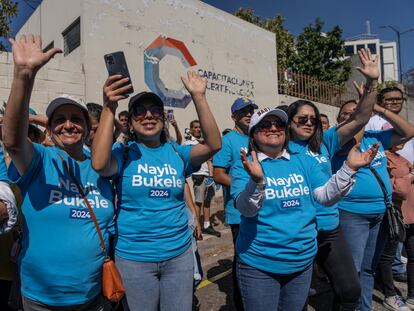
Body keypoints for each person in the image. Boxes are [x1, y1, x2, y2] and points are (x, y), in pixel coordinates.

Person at [92, 71, 221, 311]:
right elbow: (99, 164)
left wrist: (199, 97)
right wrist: (109, 105)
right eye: (140, 111)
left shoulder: (177, 153)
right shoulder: (124, 153)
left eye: (154, 110)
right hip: (133, 258)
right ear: (130, 122)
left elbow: (213, 144)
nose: (148, 115)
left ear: (162, 118)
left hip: (178, 255)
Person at [2, 34, 114, 310]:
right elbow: (14, 141)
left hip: (93, 296)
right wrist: (24, 75)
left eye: (76, 119)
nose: (69, 125)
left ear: (88, 131)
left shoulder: (100, 166)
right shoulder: (40, 158)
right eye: (59, 120)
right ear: (49, 130)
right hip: (42, 299)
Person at [235, 107, 379, 311]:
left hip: (301, 261)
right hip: (261, 264)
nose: (273, 128)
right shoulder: (245, 164)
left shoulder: (302, 159)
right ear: (253, 133)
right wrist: (257, 181)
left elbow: (324, 196)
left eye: (279, 124)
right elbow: (246, 209)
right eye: (265, 124)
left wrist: (349, 168)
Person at [286, 48, 380, 311]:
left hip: (329, 228)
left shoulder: (325, 142)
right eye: (301, 119)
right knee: (296, 298)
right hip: (297, 230)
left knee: (350, 290)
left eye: (313, 119)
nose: (308, 123)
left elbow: (361, 117)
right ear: (289, 122)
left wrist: (373, 82)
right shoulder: (278, 148)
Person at [332, 98, 414, 311]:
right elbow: (354, 126)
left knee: (369, 269)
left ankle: (364, 308)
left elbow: (408, 131)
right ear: (338, 119)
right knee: (353, 271)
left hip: (380, 214)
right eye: (346, 114)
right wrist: (361, 114)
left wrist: (377, 108)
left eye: (357, 112)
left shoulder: (373, 138)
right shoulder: (336, 140)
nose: (352, 116)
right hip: (351, 215)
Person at [213, 97, 258, 310]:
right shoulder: (229, 140)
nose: (249, 114)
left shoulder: (257, 137)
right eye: (243, 112)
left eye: (251, 110)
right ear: (234, 116)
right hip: (238, 212)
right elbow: (218, 175)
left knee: (258, 259)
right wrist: (247, 187)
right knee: (243, 263)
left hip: (260, 208)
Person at [366, 86, 412, 283]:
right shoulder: (374, 122)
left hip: (406, 184)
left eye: (398, 99)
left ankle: (394, 266)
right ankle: (387, 270)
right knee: (390, 235)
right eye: (390, 99)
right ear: (381, 101)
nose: (395, 102)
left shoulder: (403, 123)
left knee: (400, 232)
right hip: (390, 185)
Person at [376, 144, 414, 311]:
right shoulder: (383, 156)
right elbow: (393, 187)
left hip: (411, 213)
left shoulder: (401, 157)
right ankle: (390, 294)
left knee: (413, 256)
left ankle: (412, 296)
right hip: (396, 214)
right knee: (387, 257)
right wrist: (410, 175)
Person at [185, 120, 220, 236]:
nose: (198, 129)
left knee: (207, 201)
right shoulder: (189, 143)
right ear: (191, 129)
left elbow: (211, 158)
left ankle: (206, 225)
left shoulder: (205, 142)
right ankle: (197, 227)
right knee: (198, 202)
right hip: (198, 175)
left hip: (208, 175)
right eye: (195, 127)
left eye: (199, 127)